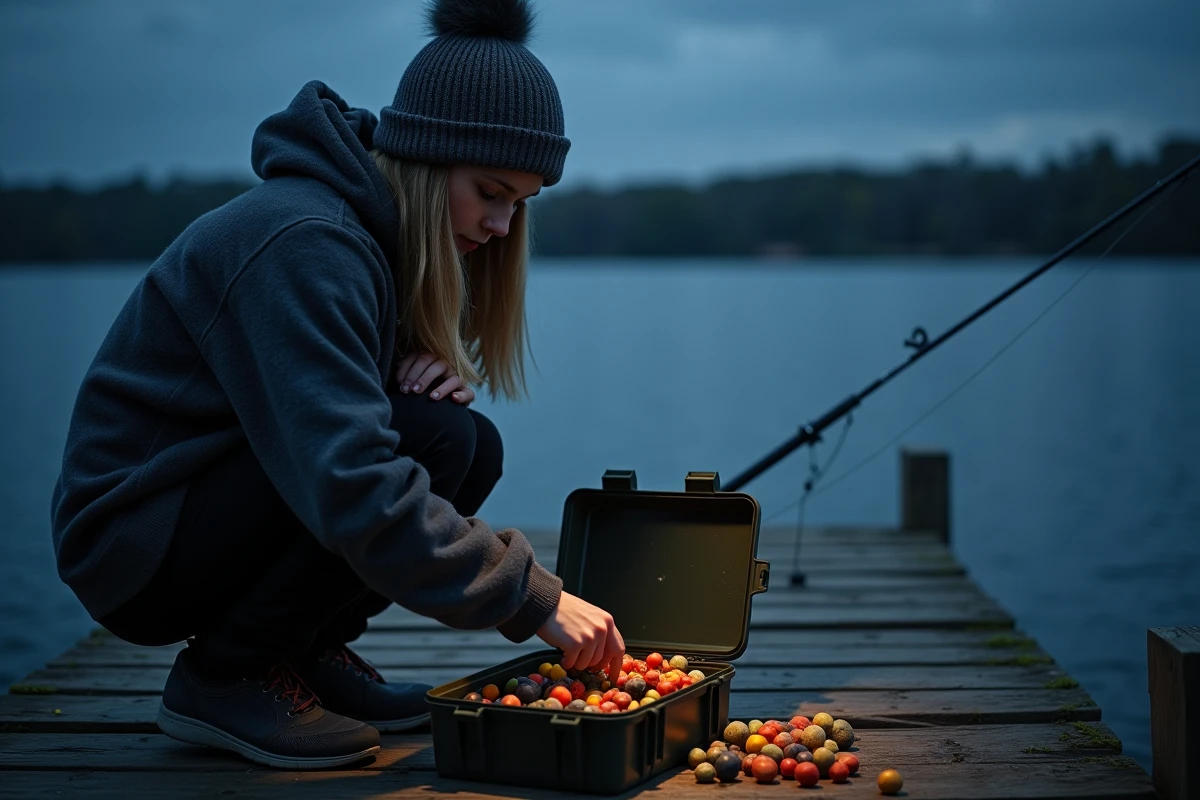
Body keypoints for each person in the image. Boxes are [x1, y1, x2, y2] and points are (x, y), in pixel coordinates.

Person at [48, 0, 625, 771]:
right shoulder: (307, 241)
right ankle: (227, 675)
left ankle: (300, 653)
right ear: (425, 158)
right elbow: (351, 483)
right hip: (131, 540)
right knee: (430, 439)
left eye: (519, 204)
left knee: (460, 439)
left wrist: (400, 367)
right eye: (490, 191)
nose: (501, 227)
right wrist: (534, 599)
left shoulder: (362, 239)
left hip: (197, 507)